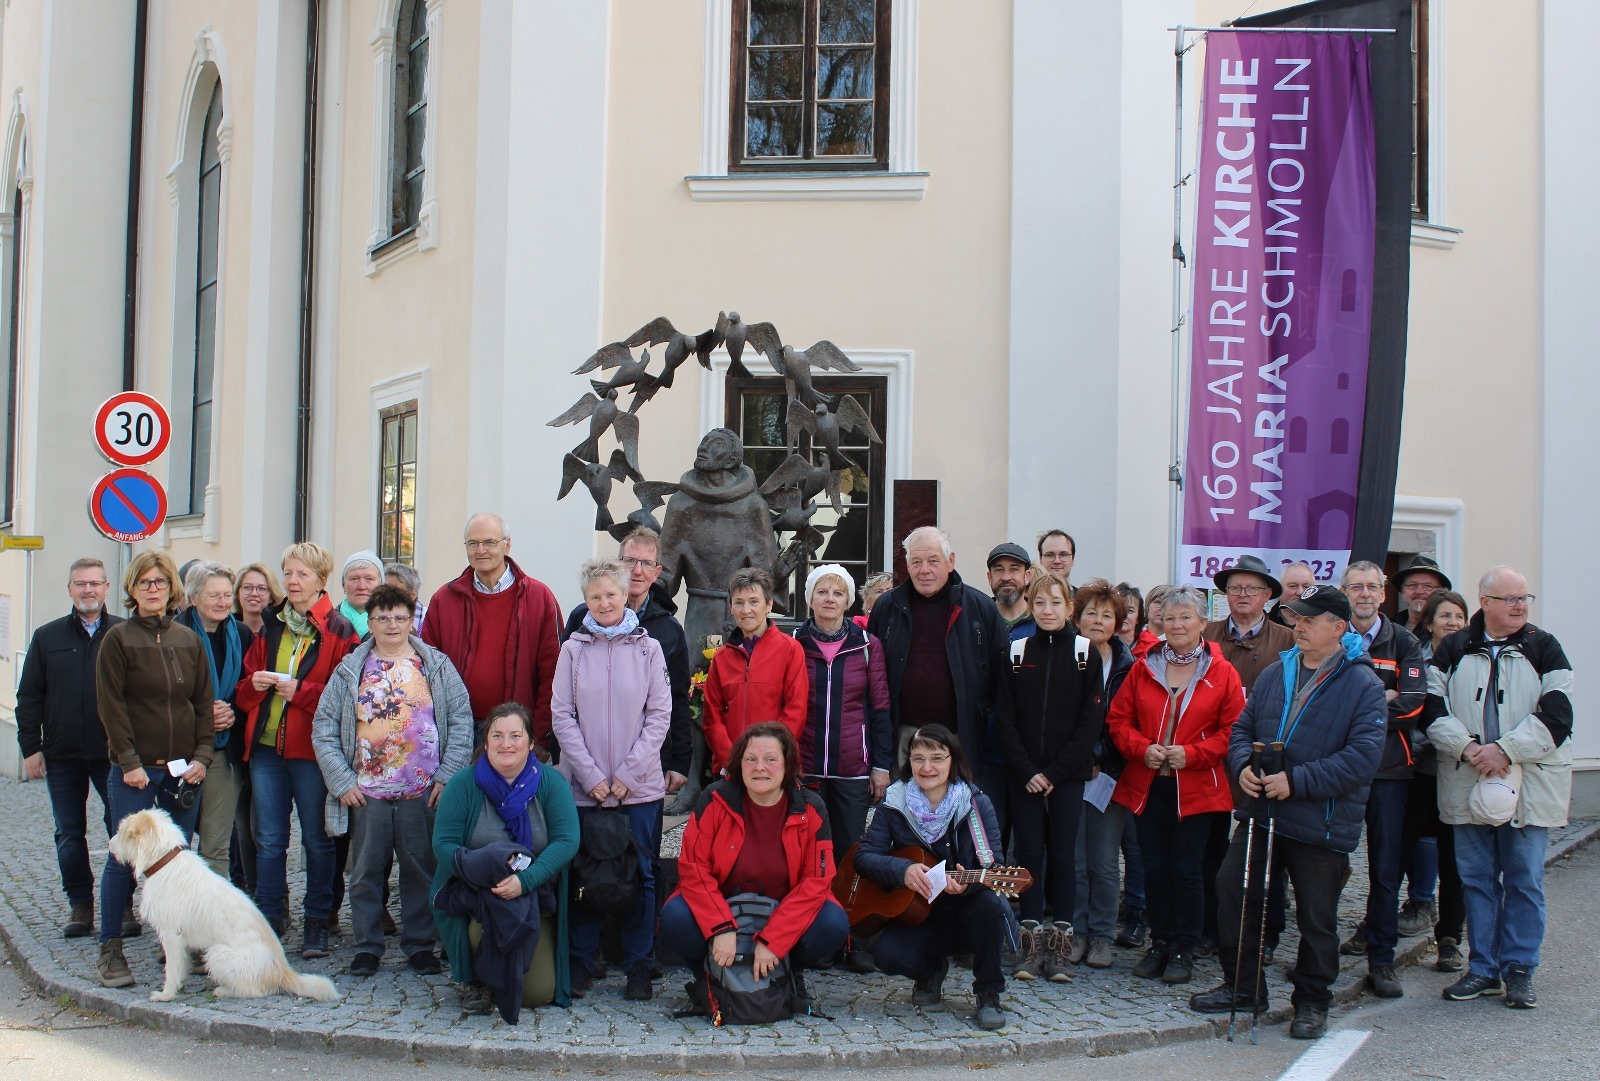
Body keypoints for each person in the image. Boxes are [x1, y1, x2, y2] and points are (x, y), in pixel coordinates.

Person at [1190, 583, 1386, 1040]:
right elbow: (1242, 729)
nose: (1298, 627)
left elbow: (1361, 758)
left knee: (1317, 917)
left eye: (1310, 620)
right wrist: (1241, 766)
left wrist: (1296, 781)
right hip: (1262, 811)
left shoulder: (1363, 684)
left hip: (1320, 820)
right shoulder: (1277, 674)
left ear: (1338, 628)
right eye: (1296, 618)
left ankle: (1313, 1000)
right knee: (1234, 892)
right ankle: (1244, 987)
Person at [1425, 566, 1571, 1009]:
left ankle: (1521, 968)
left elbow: (1558, 714)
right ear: (1484, 602)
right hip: (1468, 777)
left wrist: (1504, 750)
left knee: (1524, 879)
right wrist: (1471, 750)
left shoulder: (1544, 647)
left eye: (1525, 598)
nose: (1520, 605)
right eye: (1510, 598)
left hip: (1528, 783)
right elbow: (1432, 709)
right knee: (1476, 879)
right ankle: (1483, 968)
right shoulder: (1453, 648)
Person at [313, 583, 474, 977]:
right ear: (369, 622)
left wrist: (447, 775)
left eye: (399, 617)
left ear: (411, 621)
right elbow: (324, 728)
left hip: (421, 789)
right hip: (367, 793)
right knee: (367, 871)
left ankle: (420, 944)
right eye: (382, 617)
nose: (391, 624)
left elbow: (462, 720)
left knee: (421, 870)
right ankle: (367, 946)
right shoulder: (351, 669)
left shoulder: (434, 665)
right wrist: (342, 781)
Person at [1107, 585, 1244, 986]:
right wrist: (1141, 748)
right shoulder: (1142, 667)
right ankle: (1161, 941)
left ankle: (1184, 946)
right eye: (1170, 617)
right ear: (1160, 622)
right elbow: (1118, 721)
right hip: (1150, 784)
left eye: (1186, 617)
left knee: (1188, 871)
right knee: (1154, 868)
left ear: (1203, 623)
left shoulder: (1222, 672)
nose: (1178, 624)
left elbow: (1234, 730)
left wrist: (1193, 754)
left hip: (1198, 789)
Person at [550, 558, 672, 1000]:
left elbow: (659, 716)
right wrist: (590, 775)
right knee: (586, 875)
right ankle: (581, 962)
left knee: (640, 875)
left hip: (638, 789)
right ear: (586, 601)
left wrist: (625, 775)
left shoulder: (648, 649)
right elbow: (562, 715)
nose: (604, 603)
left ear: (626, 596)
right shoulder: (573, 650)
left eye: (611, 594)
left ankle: (639, 964)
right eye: (595, 596)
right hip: (585, 789)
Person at [93, 552, 215, 988]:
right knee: (121, 860)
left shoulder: (188, 640)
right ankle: (111, 949)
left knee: (178, 862)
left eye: (160, 582)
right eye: (144, 582)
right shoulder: (118, 639)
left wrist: (203, 757)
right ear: (132, 589)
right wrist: (128, 763)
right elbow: (112, 707)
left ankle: (178, 950)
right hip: (136, 771)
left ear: (171, 589)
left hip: (183, 771)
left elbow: (203, 705)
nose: (152, 589)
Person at [664, 722, 849, 1004]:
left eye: (770, 760)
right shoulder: (714, 800)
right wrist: (721, 928)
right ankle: (708, 976)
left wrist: (775, 940)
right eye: (751, 759)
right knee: (674, 916)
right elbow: (693, 868)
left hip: (781, 912)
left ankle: (788, 971)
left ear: (788, 765)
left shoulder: (811, 807)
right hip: (724, 907)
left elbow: (817, 881)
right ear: (739, 764)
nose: (759, 767)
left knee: (833, 922)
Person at [234, 542, 359, 956]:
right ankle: (269, 920)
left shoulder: (340, 631)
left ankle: (317, 924)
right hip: (267, 750)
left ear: (322, 581)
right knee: (268, 839)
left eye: (301, 574)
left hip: (313, 752)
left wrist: (300, 692)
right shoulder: (269, 625)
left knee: (317, 840)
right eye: (287, 573)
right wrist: (251, 687)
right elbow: (243, 687)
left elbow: (349, 696)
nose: (292, 581)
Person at [856, 724, 1016, 1030]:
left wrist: (966, 887)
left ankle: (988, 992)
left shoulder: (974, 803)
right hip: (918, 912)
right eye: (918, 758)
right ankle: (930, 971)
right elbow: (865, 857)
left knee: (990, 906)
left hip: (966, 909)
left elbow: (993, 865)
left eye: (937, 758)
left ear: (953, 761)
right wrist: (902, 870)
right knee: (885, 952)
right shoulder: (894, 801)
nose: (927, 767)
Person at [431, 702, 580, 1016]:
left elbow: (566, 841)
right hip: (478, 893)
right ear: (485, 742)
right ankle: (473, 979)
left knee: (538, 994)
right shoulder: (463, 784)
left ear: (530, 743)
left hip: (534, 891)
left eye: (515, 735)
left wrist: (524, 881)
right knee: (482, 932)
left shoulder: (551, 784)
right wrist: (481, 873)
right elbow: (444, 844)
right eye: (497, 736)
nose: (506, 744)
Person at [994, 571, 1097, 981]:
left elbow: (1091, 722)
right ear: (1030, 608)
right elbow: (1005, 718)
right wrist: (1028, 771)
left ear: (1069, 608)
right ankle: (1031, 944)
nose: (1047, 611)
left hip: (1066, 775)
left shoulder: (1085, 653)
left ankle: (1059, 948)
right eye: (1039, 604)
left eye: (1055, 603)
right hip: (1025, 775)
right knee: (1030, 854)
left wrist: (1055, 772)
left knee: (1064, 857)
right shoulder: (1016, 651)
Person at [1331, 561, 1427, 998]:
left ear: (1384, 594)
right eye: (1356, 587)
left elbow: (1412, 705)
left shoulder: (1404, 641)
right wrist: (1377, 698)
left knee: (1387, 870)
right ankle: (1320, 954)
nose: (1364, 594)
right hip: (1340, 769)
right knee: (1328, 864)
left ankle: (1381, 959)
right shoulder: (1330, 636)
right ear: (1344, 592)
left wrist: (1359, 710)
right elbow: (1321, 701)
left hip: (1390, 771)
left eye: (1372, 587)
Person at [17, 558, 124, 938]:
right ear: (70, 589)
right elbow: (29, 696)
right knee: (69, 833)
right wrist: (31, 747)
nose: (88, 590)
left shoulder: (122, 633)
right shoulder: (48, 637)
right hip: (61, 754)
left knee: (121, 829)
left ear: (107, 588)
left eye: (95, 583)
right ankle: (80, 905)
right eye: (80, 583)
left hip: (113, 753)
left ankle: (123, 905)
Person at [792, 564, 892, 971]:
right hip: (807, 764)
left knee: (852, 853)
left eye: (837, 592)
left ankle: (854, 939)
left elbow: (880, 707)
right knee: (811, 855)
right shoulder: (793, 641)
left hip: (853, 766)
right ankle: (815, 937)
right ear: (810, 598)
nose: (829, 599)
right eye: (822, 591)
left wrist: (881, 765)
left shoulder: (867, 644)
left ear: (848, 601)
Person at [561, 527, 693, 801]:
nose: (637, 570)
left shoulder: (668, 628)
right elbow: (563, 700)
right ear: (618, 564)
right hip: (588, 767)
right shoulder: (582, 618)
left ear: (657, 573)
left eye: (646, 563)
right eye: (630, 561)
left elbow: (677, 697)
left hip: (646, 768)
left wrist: (680, 760)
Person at [868, 526, 1006, 773]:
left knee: (957, 808)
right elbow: (873, 673)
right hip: (903, 736)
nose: (924, 570)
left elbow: (999, 676)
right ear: (907, 564)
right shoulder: (887, 608)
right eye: (916, 562)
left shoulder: (981, 608)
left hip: (959, 735)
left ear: (950, 561)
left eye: (933, 561)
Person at [421, 513, 561, 753]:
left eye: (489, 542)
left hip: (518, 731)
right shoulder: (444, 600)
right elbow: (426, 671)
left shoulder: (539, 597)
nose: (481, 550)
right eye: (473, 544)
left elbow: (553, 672)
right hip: (458, 732)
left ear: (507, 544)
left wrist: (538, 734)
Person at [1396, 588, 1471, 970]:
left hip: (1460, 772)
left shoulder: (1472, 658)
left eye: (1459, 616)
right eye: (1445, 616)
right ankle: (1384, 918)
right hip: (1420, 769)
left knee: (1454, 861)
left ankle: (1449, 938)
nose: (1453, 623)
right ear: (1429, 622)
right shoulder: (1417, 657)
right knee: (1401, 846)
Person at [1068, 580, 1136, 969]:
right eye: (1090, 613)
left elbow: (1127, 722)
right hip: (1071, 773)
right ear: (1077, 619)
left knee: (1105, 861)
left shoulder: (1129, 667)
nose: (1098, 620)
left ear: (1118, 623)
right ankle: (1077, 933)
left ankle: (1102, 937)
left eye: (1107, 615)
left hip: (1110, 774)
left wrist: (1098, 755)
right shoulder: (1065, 656)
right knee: (1074, 859)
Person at [176, 562, 255, 879]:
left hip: (225, 749)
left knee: (216, 844)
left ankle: (212, 920)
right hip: (179, 750)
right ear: (193, 598)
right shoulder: (172, 635)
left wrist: (231, 710)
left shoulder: (244, 634)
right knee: (175, 844)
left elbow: (249, 687)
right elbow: (161, 696)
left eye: (226, 595)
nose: (223, 603)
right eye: (214, 596)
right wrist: (202, 713)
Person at [701, 567, 808, 776]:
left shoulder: (790, 650)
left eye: (754, 601)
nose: (746, 609)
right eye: (739, 602)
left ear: (768, 605)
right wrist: (733, 758)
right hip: (731, 768)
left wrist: (767, 757)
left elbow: (796, 711)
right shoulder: (721, 658)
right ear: (731, 607)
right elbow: (712, 717)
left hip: (776, 766)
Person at [1205, 556, 1295, 698]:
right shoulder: (1205, 634)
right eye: (1235, 588)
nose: (1242, 594)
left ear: (1267, 595)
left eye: (1252, 589)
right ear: (1227, 593)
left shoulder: (1288, 639)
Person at [1392, 554, 1451, 632]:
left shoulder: (1447, 630)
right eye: (1412, 585)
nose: (1419, 591)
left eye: (1428, 586)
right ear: (1403, 590)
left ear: (1440, 593)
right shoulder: (1389, 628)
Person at [986, 542, 1035, 635]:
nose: (1006, 577)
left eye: (1014, 569)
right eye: (999, 570)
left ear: (1027, 576)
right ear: (990, 577)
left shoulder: (1042, 621)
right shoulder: (979, 621)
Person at [337, 550, 384, 639]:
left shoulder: (396, 627)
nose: (362, 587)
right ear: (344, 585)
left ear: (381, 584)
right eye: (354, 579)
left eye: (369, 579)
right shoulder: (325, 625)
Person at [233, 562, 283, 637]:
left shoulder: (280, 634)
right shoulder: (226, 631)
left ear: (271, 597)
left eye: (261, 588)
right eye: (247, 587)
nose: (254, 593)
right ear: (238, 593)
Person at [384, 561, 427, 632]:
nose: (387, 594)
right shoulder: (375, 617)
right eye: (385, 588)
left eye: (395, 590)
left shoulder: (427, 618)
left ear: (412, 595)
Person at [1270, 562, 1316, 627]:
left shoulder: (1323, 626)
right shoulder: (1263, 624)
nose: (1300, 592)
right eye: (1293, 586)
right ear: (1280, 588)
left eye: (1306, 587)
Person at [1132, 585, 1169, 660]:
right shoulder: (1132, 635)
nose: (1162, 608)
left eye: (1167, 604)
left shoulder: (1176, 642)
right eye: (1158, 602)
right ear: (1147, 606)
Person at [1115, 583, 1144, 651]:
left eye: (1130, 611)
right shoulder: (1099, 646)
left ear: (1138, 618)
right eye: (1119, 609)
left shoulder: (1151, 650)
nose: (1124, 615)